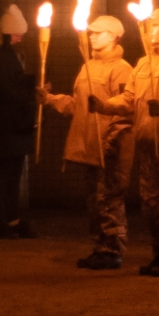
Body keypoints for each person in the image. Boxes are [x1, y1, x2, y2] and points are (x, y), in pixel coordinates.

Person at [41, 14, 136, 269]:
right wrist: (50, 100)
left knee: (109, 199)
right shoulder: (87, 66)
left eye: (98, 32)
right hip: (89, 145)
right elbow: (78, 106)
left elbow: (128, 106)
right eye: (91, 32)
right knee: (95, 201)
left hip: (110, 146)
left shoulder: (122, 69)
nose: (92, 35)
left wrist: (111, 132)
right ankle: (100, 246)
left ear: (114, 36)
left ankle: (113, 249)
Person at [110, 7, 159, 275]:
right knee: (151, 202)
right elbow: (130, 97)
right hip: (147, 143)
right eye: (148, 27)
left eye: (157, 27)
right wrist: (104, 106)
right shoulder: (143, 63)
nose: (151, 32)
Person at [0, 6, 39, 238]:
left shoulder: (9, 54)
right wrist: (30, 90)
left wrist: (32, 85)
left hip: (15, 124)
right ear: (7, 33)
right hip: (6, 123)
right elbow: (6, 88)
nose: (20, 36)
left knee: (14, 173)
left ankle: (12, 219)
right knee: (3, 173)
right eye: (16, 32)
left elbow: (14, 83)